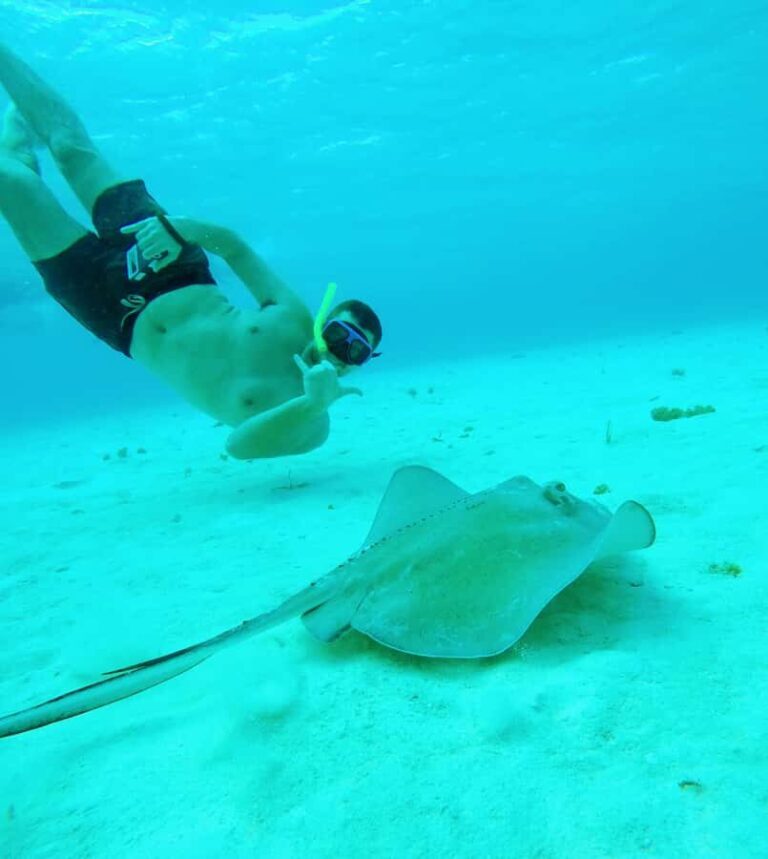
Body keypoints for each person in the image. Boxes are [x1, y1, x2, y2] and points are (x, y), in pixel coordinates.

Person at [0, 44, 382, 459]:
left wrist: (313, 403)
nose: (339, 353)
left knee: (14, 184)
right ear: (322, 324)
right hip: (170, 262)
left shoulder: (313, 427)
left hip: (112, 312)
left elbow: (240, 446)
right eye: (338, 336)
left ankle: (17, 146)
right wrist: (181, 228)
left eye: (355, 351)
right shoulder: (292, 319)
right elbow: (236, 249)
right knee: (73, 150)